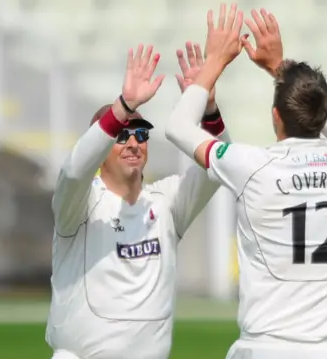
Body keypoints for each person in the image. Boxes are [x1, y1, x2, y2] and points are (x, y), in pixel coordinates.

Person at [165, 4, 327, 359]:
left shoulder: (253, 166)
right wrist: (279, 67)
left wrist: (214, 64)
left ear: (275, 115)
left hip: (269, 347)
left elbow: (178, 127)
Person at [46, 43, 231, 359]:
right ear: (101, 146)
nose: (133, 143)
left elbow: (220, 166)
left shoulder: (166, 201)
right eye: (121, 135)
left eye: (141, 134)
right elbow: (74, 171)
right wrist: (124, 106)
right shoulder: (79, 204)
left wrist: (209, 110)